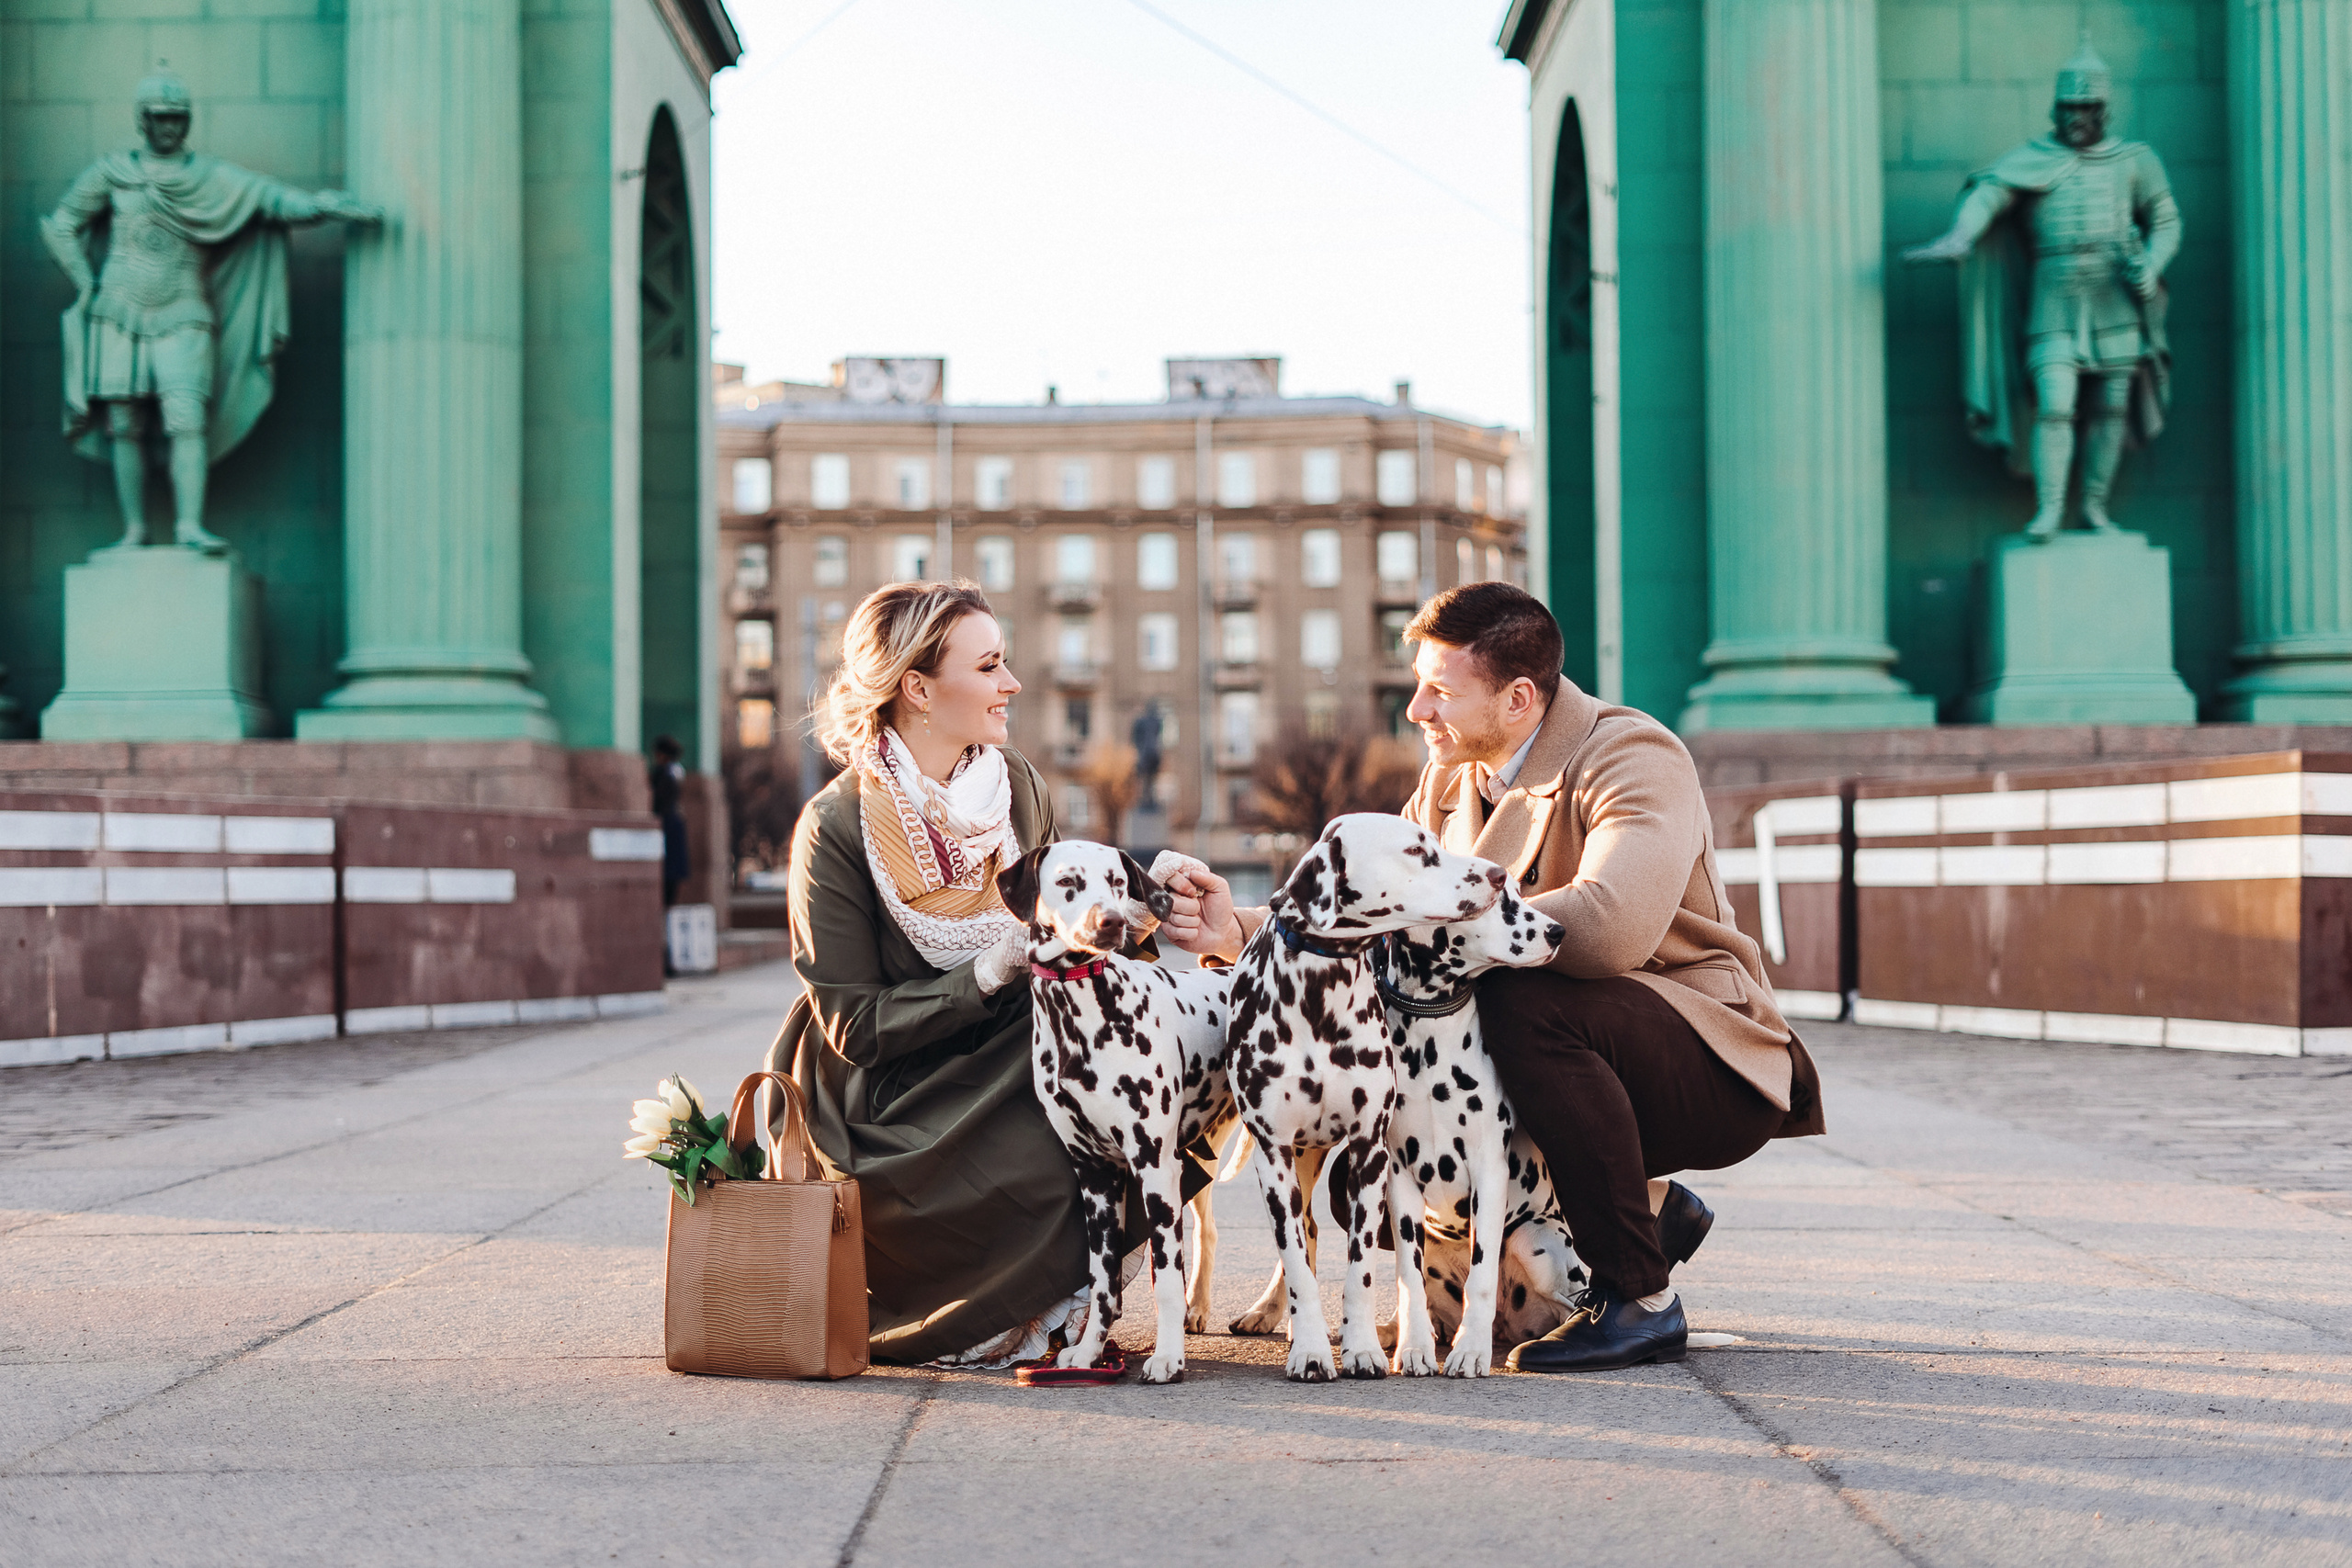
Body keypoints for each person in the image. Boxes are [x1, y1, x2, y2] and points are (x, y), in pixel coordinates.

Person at [1159, 581, 1824, 1372]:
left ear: (1517, 698)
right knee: (1362, 1175)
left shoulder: (1632, 756)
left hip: (1705, 1057)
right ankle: (1643, 1212)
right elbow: (1374, 919)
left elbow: (1608, 928)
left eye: (1439, 690)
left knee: (1521, 994)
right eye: (1419, 685)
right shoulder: (1447, 784)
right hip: (1566, 1066)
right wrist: (1238, 927)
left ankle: (1641, 1298)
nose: (1417, 710)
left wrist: (1446, 921)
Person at [761, 581, 1173, 1365]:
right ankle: (1030, 1301)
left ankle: (1069, 1299)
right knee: (1058, 1106)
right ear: (917, 687)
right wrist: (986, 971)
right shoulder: (835, 825)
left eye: (1004, 662)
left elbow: (1073, 938)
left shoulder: (1017, 785)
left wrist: (1148, 910)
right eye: (989, 666)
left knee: (1134, 1065)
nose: (1011, 683)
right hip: (891, 1092)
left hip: (1013, 1039)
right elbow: (854, 1027)